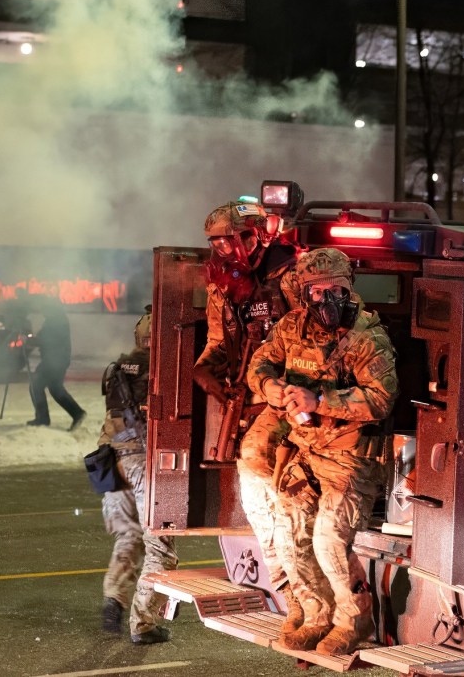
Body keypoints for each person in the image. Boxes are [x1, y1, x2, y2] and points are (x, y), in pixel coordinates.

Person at [247, 247, 398, 656]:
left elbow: (381, 400)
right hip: (305, 452)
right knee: (290, 537)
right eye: (317, 291)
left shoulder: (368, 337)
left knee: (328, 541)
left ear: (349, 288)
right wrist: (270, 388)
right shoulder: (290, 327)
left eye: (337, 289)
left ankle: (353, 620)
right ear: (304, 293)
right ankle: (316, 616)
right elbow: (259, 365)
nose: (328, 299)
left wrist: (319, 401)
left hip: (350, 460)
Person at [191, 200, 305, 632]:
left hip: (293, 397)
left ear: (255, 234)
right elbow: (219, 341)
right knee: (259, 505)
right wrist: (204, 370)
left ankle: (307, 599)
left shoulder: (293, 273)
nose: (224, 249)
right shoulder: (223, 284)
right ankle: (292, 596)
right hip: (250, 400)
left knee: (283, 499)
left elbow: (321, 340)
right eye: (217, 243)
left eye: (230, 240)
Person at [98, 306, 178, 645]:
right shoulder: (165, 369)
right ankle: (143, 623)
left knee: (128, 536)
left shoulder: (119, 368)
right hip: (145, 463)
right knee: (160, 544)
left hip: (111, 462)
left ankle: (113, 599)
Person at [25, 295, 86, 431]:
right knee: (55, 389)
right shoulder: (56, 318)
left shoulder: (55, 321)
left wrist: (30, 339)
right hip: (57, 359)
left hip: (53, 360)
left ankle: (43, 419)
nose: (40, 310)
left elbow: (46, 339)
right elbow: (45, 338)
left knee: (36, 385)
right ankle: (77, 413)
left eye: (43, 307)